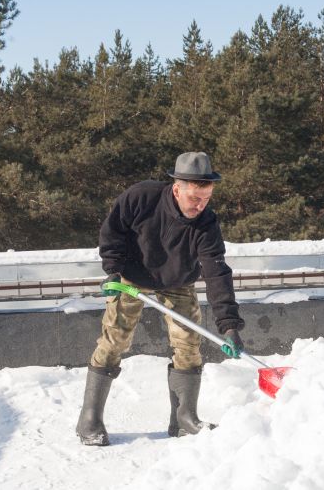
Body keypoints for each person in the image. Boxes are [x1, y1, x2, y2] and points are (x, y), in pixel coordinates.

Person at [76, 151, 245, 446]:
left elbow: (217, 272)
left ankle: (183, 419)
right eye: (194, 198)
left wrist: (229, 325)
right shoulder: (141, 197)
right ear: (177, 189)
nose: (200, 205)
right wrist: (113, 271)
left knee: (188, 343)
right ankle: (89, 419)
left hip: (178, 281)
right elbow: (112, 232)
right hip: (131, 278)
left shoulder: (206, 223)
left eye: (206, 198)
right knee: (114, 340)